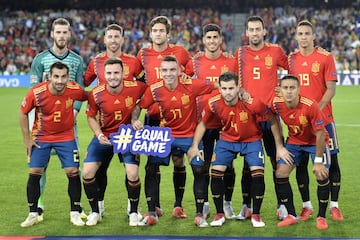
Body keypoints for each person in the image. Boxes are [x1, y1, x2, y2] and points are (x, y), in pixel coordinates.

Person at [187, 72, 290, 228]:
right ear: (219, 89)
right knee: (216, 172)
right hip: (227, 140)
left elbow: (273, 121)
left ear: (238, 88)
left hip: (252, 140)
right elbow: (203, 123)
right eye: (224, 88)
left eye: (231, 88)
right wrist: (194, 145)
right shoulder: (213, 103)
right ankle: (219, 214)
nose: (227, 92)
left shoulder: (253, 103)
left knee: (257, 173)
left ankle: (256, 214)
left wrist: (279, 146)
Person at [131, 56, 216, 227]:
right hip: (165, 135)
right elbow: (139, 106)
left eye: (172, 70)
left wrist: (239, 93)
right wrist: (134, 119)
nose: (169, 73)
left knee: (199, 169)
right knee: (150, 168)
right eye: (165, 70)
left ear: (179, 71)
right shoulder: (155, 89)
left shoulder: (192, 85)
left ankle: (199, 214)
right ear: (160, 72)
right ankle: (152, 212)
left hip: (189, 136)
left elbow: (216, 86)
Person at [83, 23, 145, 218]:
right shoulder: (95, 62)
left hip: (127, 129)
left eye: (117, 36)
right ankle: (98, 207)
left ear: (122, 39)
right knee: (98, 170)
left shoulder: (133, 63)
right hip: (104, 125)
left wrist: (136, 115)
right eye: (109, 36)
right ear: (104, 39)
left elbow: (146, 89)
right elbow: (82, 82)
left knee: (132, 172)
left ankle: (132, 208)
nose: (113, 40)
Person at [28, 17, 86, 220]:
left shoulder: (77, 60)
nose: (61, 36)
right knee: (39, 167)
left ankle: (77, 207)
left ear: (69, 34)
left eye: (65, 32)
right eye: (58, 32)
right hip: (42, 124)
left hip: (69, 123)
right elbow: (33, 90)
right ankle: (39, 206)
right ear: (52, 34)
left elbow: (81, 90)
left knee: (74, 166)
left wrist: (75, 112)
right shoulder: (40, 59)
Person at [19, 61, 88, 227]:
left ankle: (75, 212)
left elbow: (91, 98)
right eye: (56, 76)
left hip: (66, 137)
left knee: (72, 171)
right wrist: (27, 139)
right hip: (41, 137)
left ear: (68, 77)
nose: (59, 80)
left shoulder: (74, 89)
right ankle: (33, 213)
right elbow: (22, 113)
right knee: (35, 171)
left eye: (63, 77)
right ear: (49, 76)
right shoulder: (36, 92)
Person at [234, 15, 289, 220]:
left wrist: (283, 88)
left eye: (258, 29)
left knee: (278, 163)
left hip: (271, 117)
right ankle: (246, 206)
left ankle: (281, 206)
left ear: (264, 31)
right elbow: (231, 79)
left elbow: (292, 70)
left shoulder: (275, 51)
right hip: (248, 119)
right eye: (251, 30)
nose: (255, 33)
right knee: (249, 167)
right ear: (246, 32)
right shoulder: (240, 54)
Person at [136, 16, 191, 217]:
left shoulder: (180, 52)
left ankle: (178, 205)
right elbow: (135, 77)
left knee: (178, 160)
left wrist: (186, 76)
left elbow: (193, 74)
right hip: (153, 117)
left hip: (178, 117)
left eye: (161, 31)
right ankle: (154, 207)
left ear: (168, 33)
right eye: (155, 31)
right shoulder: (143, 54)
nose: (158, 34)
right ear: (150, 33)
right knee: (153, 164)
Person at [288, 20, 343, 222]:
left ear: (313, 36)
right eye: (300, 33)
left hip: (324, 119)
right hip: (299, 124)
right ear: (296, 37)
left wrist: (315, 111)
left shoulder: (325, 57)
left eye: (307, 33)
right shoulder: (291, 60)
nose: (303, 37)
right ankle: (306, 206)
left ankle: (334, 206)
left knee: (332, 162)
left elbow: (331, 89)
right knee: (300, 164)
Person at [185, 23, 237, 219]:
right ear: (204, 40)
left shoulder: (231, 62)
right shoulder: (195, 62)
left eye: (215, 37)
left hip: (227, 122)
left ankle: (227, 203)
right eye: (209, 38)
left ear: (220, 40)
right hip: (203, 122)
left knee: (228, 166)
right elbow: (185, 82)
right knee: (203, 166)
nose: (212, 41)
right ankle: (205, 203)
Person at [273, 74, 331, 230]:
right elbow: (273, 120)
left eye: (292, 88)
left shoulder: (310, 105)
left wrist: (318, 162)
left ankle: (321, 217)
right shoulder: (276, 103)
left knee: (321, 174)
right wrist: (280, 146)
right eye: (285, 88)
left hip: (316, 142)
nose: (289, 91)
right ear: (280, 90)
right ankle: (291, 215)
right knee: (280, 174)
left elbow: (320, 134)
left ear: (298, 89)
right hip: (294, 142)